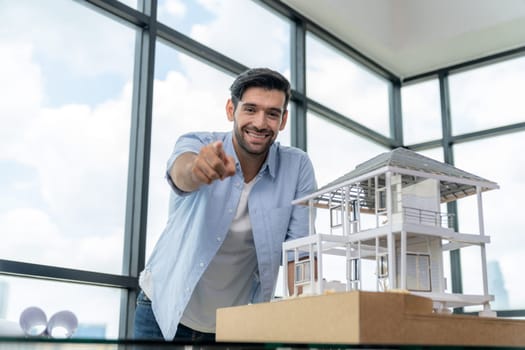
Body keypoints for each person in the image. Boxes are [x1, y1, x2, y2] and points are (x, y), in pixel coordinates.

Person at [133, 67, 317, 342]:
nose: (260, 122)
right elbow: (180, 173)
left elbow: (298, 251)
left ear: (283, 119)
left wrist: (306, 326)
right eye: (250, 109)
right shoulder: (199, 144)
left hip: (234, 324)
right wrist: (198, 169)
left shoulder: (297, 166)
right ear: (231, 109)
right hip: (163, 307)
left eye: (272, 113)